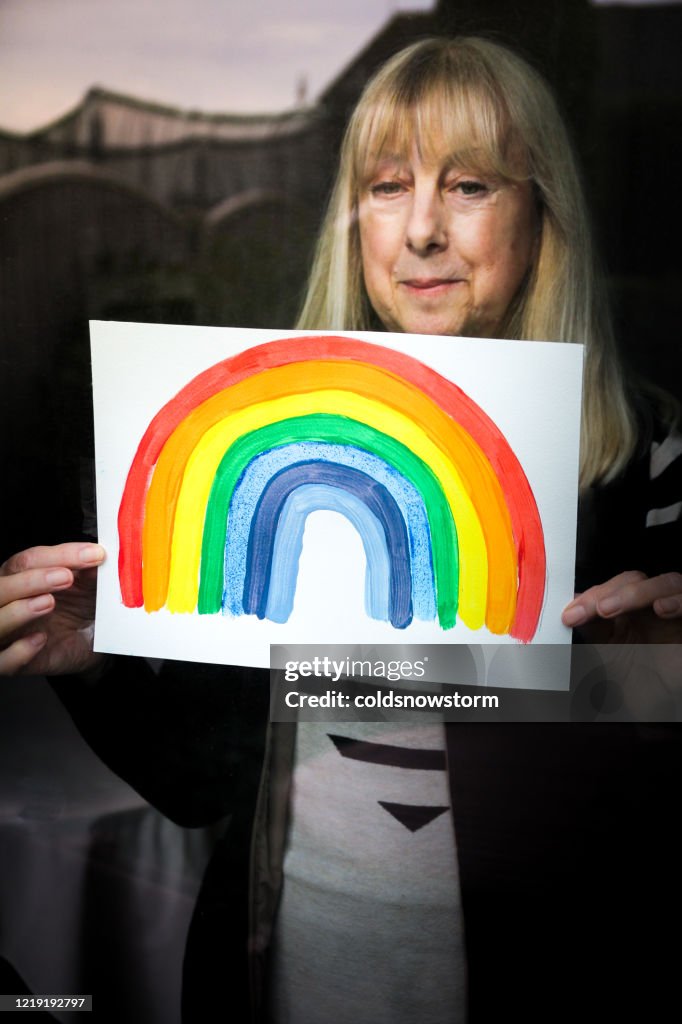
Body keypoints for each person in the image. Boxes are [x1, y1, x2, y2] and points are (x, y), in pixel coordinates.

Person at [1, 35, 681, 1023]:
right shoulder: (278, 445)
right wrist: (100, 658)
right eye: (388, 186)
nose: (421, 232)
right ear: (352, 218)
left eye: (471, 186)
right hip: (288, 968)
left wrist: (661, 681)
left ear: (542, 213)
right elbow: (201, 785)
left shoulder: (651, 458)